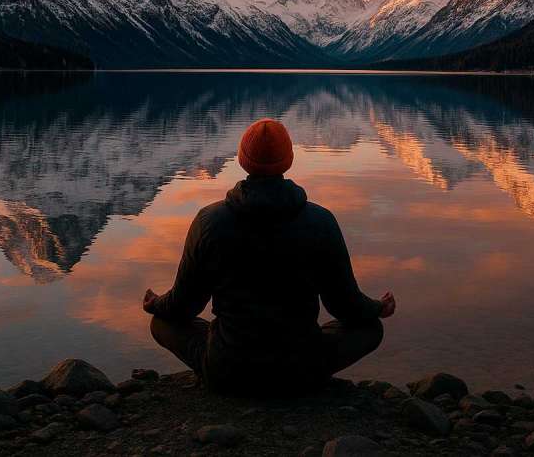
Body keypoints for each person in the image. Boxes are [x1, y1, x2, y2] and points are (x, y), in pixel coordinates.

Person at [143, 117, 395, 395]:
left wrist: (157, 305)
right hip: (302, 370)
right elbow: (344, 306)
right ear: (288, 160)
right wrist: (376, 309)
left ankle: (225, 369)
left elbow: (184, 306)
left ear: (242, 160)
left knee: (162, 322)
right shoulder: (321, 222)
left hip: (227, 371)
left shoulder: (209, 222)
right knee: (371, 329)